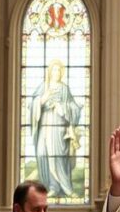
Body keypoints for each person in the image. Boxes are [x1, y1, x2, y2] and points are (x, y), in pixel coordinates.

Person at [30, 60, 82, 198]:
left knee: (58, 156)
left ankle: (65, 188)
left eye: (59, 70)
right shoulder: (43, 87)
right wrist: (42, 100)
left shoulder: (65, 89)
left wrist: (62, 108)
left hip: (59, 126)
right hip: (45, 125)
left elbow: (75, 108)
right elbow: (32, 105)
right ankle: (50, 187)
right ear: (50, 72)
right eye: (54, 70)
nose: (56, 73)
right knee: (43, 153)